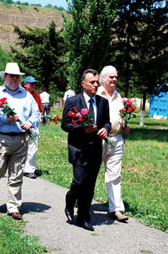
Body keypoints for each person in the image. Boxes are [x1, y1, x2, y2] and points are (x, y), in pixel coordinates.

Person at [0, 63, 40, 220]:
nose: (15, 79)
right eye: (12, 75)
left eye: (17, 76)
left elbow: (36, 114)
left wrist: (30, 122)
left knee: (16, 174)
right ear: (5, 77)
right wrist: (4, 118)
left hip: (20, 139)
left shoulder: (26, 95)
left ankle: (13, 207)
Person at [61, 68, 111, 231]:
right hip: (78, 149)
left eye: (97, 82)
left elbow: (106, 122)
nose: (96, 85)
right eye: (92, 82)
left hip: (95, 149)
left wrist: (106, 129)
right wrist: (82, 130)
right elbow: (65, 125)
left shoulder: (103, 102)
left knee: (89, 185)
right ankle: (70, 199)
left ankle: (83, 216)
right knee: (79, 181)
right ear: (83, 84)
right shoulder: (72, 102)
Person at [97, 65, 130, 222]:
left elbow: (121, 116)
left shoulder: (118, 96)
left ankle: (116, 209)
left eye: (116, 77)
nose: (114, 80)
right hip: (98, 139)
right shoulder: (96, 94)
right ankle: (79, 198)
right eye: (111, 77)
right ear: (103, 79)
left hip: (116, 139)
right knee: (89, 172)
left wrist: (124, 125)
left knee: (115, 175)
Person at [23, 76, 42, 179]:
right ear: (25, 84)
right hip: (22, 125)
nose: (33, 85)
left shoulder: (37, 96)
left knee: (32, 147)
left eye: (34, 83)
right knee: (20, 148)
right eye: (31, 83)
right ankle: (20, 167)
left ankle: (29, 170)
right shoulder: (21, 95)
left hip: (33, 125)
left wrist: (36, 121)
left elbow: (39, 111)